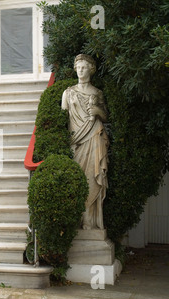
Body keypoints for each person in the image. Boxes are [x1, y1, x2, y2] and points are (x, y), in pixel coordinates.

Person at [61, 54, 109, 230]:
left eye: (84, 67)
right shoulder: (68, 92)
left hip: (94, 138)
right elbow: (63, 119)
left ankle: (90, 222)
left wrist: (96, 110)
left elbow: (105, 117)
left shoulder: (97, 93)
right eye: (78, 67)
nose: (80, 70)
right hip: (76, 142)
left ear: (91, 69)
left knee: (92, 179)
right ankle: (77, 220)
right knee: (77, 181)